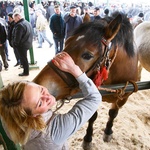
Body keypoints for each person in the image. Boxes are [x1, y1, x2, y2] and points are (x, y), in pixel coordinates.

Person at [0, 52, 102, 150]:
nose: (47, 97)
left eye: (40, 90)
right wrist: (74, 69)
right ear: (32, 115)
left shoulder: (8, 116)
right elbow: (95, 98)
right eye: (39, 103)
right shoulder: (55, 131)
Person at [12, 9, 33, 76]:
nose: (14, 21)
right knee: (25, 58)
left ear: (18, 17)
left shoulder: (19, 26)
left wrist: (15, 44)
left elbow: (17, 38)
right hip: (28, 43)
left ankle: (26, 72)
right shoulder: (26, 22)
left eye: (15, 19)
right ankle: (26, 71)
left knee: (24, 59)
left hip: (22, 45)